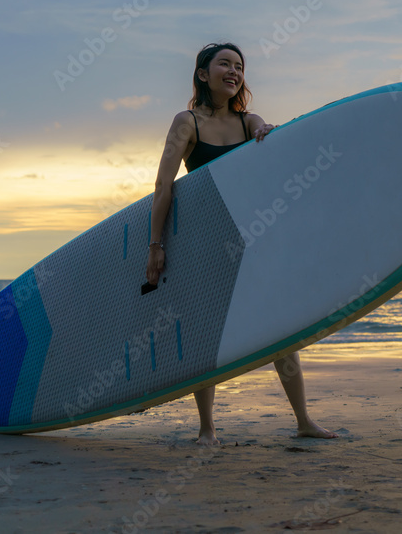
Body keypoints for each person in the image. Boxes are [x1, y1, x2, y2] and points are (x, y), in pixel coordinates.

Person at [145, 42, 338, 446]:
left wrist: (269, 136)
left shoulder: (250, 122)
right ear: (203, 74)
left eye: (239, 66)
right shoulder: (187, 122)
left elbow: (268, 146)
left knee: (279, 328)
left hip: (254, 237)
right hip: (207, 240)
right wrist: (155, 245)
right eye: (224, 64)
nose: (233, 72)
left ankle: (304, 420)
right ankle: (207, 428)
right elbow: (164, 185)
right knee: (206, 331)